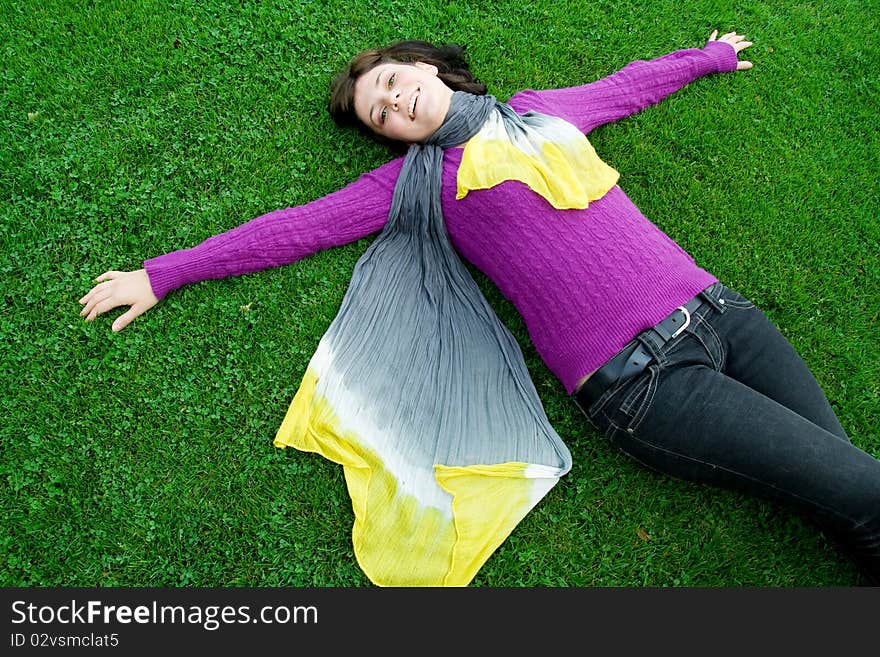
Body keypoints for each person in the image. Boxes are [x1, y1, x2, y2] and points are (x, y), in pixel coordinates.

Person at [78, 29, 880, 585]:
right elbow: (292, 229)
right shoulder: (417, 184)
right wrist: (165, 272)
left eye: (393, 84)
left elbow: (626, 87)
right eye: (379, 116)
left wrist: (705, 59)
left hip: (723, 313)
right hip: (647, 386)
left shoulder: (541, 112)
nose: (394, 106)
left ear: (429, 68)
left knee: (853, 499)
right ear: (388, 140)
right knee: (860, 487)